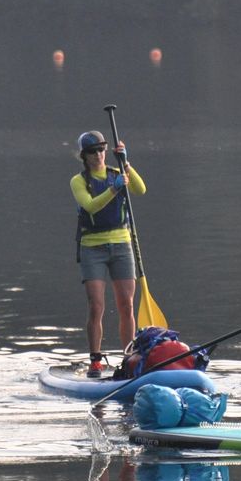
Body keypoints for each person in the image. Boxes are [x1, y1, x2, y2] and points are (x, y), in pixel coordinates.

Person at [71, 130, 147, 377]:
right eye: (93, 152)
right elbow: (91, 206)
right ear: (84, 156)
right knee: (97, 305)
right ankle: (95, 359)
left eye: (102, 149)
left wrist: (126, 162)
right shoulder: (79, 181)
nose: (99, 155)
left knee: (126, 305)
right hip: (92, 248)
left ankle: (129, 357)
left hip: (122, 245)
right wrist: (114, 189)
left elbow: (141, 190)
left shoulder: (118, 174)